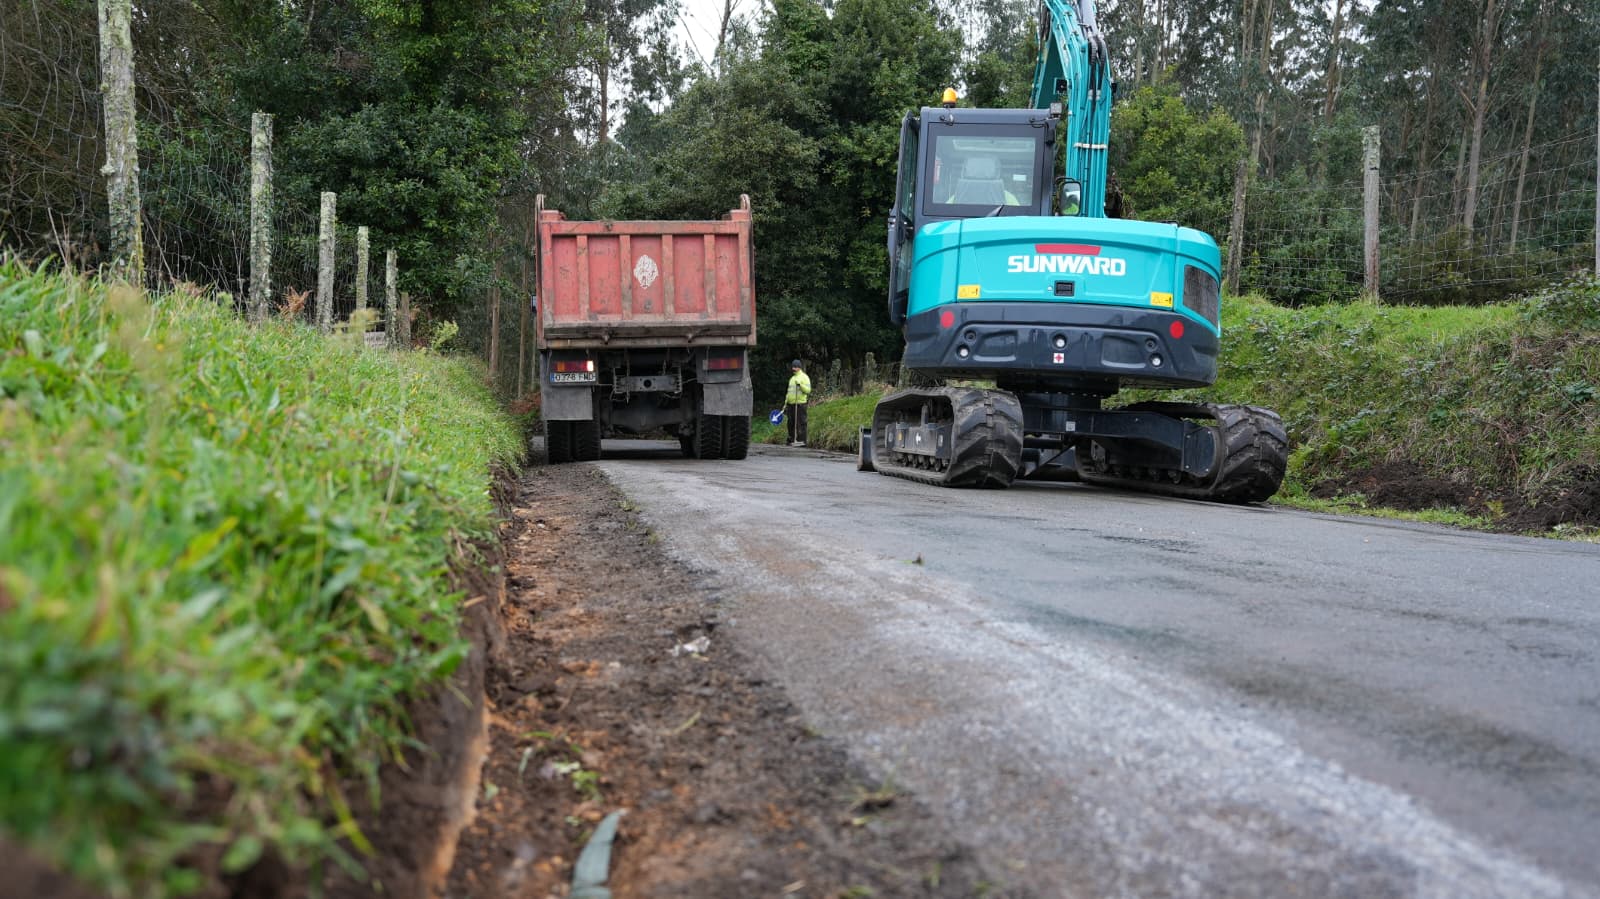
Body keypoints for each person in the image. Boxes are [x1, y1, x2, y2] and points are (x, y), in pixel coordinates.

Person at [785, 359, 812, 447]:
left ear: (799, 368)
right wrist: (785, 403)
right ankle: (791, 439)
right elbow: (789, 392)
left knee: (801, 423)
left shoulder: (804, 377)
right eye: (793, 367)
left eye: (795, 367)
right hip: (791, 404)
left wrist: (800, 385)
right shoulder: (792, 379)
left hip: (800, 404)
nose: (794, 369)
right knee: (790, 423)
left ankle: (802, 441)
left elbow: (808, 390)